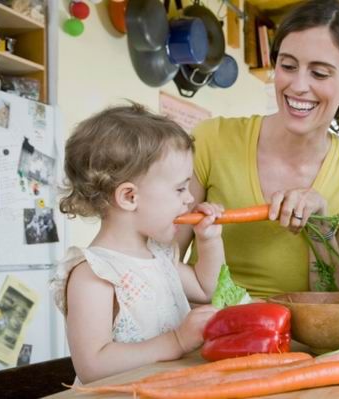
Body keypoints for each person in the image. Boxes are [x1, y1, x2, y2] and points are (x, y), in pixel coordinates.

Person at [177, 0, 339, 297]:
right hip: (209, 330)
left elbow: (338, 300)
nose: (298, 85)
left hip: (302, 339)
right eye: (287, 66)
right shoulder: (212, 139)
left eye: (319, 73)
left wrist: (320, 228)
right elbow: (162, 258)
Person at [50, 103, 225, 384]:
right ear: (130, 197)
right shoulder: (94, 273)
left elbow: (207, 289)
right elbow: (92, 366)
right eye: (180, 188)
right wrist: (176, 341)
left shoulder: (160, 256)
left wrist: (209, 240)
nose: (189, 199)